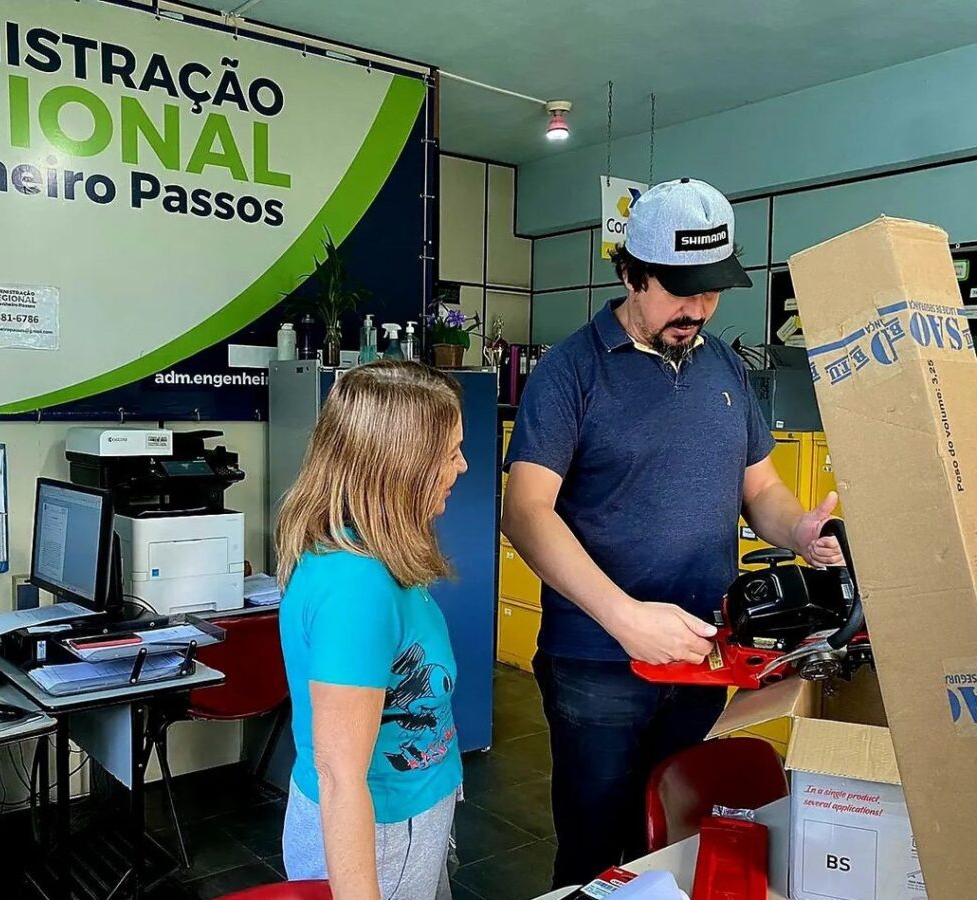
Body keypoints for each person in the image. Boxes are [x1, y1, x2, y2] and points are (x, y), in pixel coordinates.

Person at [501, 178, 841, 888]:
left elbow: (761, 491)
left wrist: (801, 530)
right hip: (599, 662)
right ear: (630, 274)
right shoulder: (571, 372)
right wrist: (624, 618)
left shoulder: (723, 365)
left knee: (676, 840)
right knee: (597, 853)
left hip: (705, 654)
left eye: (711, 291)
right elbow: (527, 511)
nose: (699, 309)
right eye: (680, 290)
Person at [275, 360, 469, 900]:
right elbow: (340, 777)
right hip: (380, 837)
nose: (463, 466)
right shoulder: (356, 587)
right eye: (449, 452)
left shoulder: (371, 552)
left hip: (407, 816)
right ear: (400, 466)